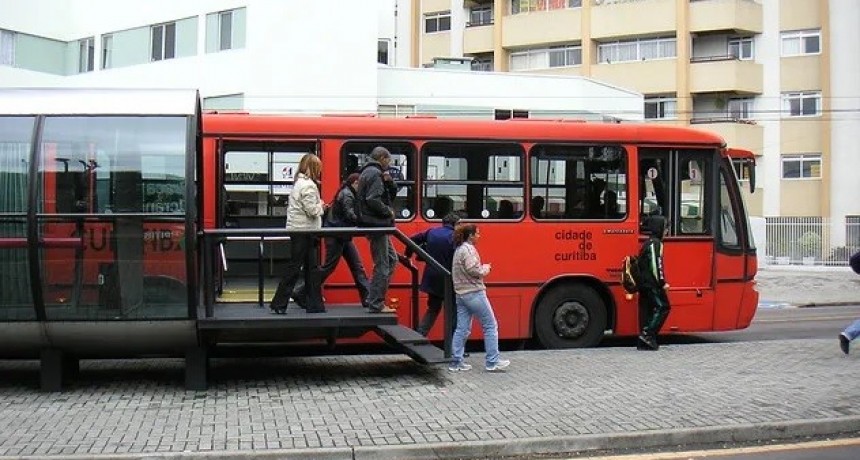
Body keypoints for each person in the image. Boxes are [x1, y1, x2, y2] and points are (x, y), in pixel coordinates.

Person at [295, 173, 370, 308]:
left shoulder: (347, 192)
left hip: (342, 235)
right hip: (337, 236)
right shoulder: (347, 195)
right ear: (355, 183)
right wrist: (364, 221)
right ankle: (301, 290)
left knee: (357, 266)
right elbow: (349, 214)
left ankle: (367, 298)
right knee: (330, 268)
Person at [448, 223, 510, 372]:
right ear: (470, 235)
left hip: (460, 294)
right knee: (490, 325)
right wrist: (485, 269)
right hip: (474, 293)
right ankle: (492, 362)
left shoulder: (459, 249)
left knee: (461, 329)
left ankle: (456, 362)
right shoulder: (469, 249)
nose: (479, 236)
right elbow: (473, 269)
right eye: (477, 233)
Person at [269, 154, 326, 314]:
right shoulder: (308, 186)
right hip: (305, 231)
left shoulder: (298, 183)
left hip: (300, 230)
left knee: (308, 268)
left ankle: (313, 304)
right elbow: (312, 211)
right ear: (314, 169)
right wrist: (321, 206)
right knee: (299, 268)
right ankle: (281, 303)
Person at [355, 146, 398, 313]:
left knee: (391, 259)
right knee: (383, 264)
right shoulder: (374, 173)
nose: (389, 164)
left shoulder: (368, 172)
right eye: (388, 160)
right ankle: (375, 302)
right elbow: (373, 199)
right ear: (382, 158)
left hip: (376, 224)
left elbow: (388, 194)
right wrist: (388, 211)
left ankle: (373, 298)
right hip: (377, 224)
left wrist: (389, 182)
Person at [405, 212, 461, 336]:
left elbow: (411, 239)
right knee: (452, 313)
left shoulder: (431, 232)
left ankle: (419, 336)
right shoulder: (455, 237)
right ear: (456, 224)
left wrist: (408, 255)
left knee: (433, 309)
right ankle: (452, 347)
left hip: (432, 277)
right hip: (449, 279)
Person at [637, 215, 670, 350]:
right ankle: (647, 335)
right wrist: (662, 283)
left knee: (650, 309)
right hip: (651, 284)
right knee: (663, 306)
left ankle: (646, 338)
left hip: (645, 283)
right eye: (665, 227)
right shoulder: (655, 244)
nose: (667, 231)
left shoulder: (649, 242)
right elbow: (656, 265)